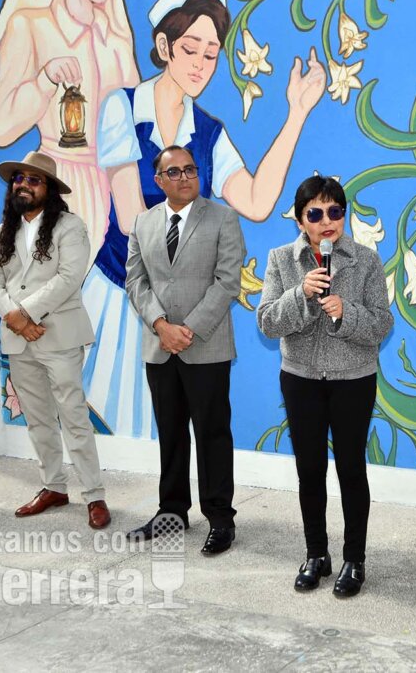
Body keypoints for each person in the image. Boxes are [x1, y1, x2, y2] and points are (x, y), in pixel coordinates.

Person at [87, 0, 327, 434]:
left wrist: (296, 114)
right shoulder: (123, 107)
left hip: (190, 314)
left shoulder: (208, 131)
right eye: (190, 49)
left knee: (198, 425)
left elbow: (256, 201)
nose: (200, 64)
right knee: (141, 427)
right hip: (126, 298)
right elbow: (131, 220)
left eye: (211, 54)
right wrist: (163, 319)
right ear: (164, 47)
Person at [257, 175, 392, 597]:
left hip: (354, 380)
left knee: (351, 469)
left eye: (335, 211)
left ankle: (354, 559)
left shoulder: (366, 260)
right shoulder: (281, 259)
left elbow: (381, 325)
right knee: (310, 470)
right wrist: (302, 294)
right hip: (301, 380)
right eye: (315, 214)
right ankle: (316, 553)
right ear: (300, 221)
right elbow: (267, 322)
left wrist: (345, 312)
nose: (327, 221)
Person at [124, 144, 244, 555]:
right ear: (159, 180)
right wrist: (161, 325)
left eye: (190, 169)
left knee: (212, 434)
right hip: (159, 348)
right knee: (171, 434)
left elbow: (227, 282)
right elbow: (135, 281)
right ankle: (171, 512)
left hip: (205, 346)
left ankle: (220, 518)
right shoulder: (142, 222)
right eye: (173, 172)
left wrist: (187, 330)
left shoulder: (223, 218)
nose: (184, 177)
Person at [0, 151, 110, 530]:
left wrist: (25, 313)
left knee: (73, 417)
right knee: (38, 419)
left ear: (49, 189)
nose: (23, 185)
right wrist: (14, 317)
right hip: (19, 339)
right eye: (18, 179)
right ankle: (53, 487)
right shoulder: (1, 231)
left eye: (33, 180)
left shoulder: (70, 227)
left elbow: (69, 277)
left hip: (59, 336)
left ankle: (94, 494)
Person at [0, 0, 139, 265]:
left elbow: (134, 129)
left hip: (111, 192)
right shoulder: (28, 25)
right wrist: (44, 81)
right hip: (57, 181)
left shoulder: (115, 42)